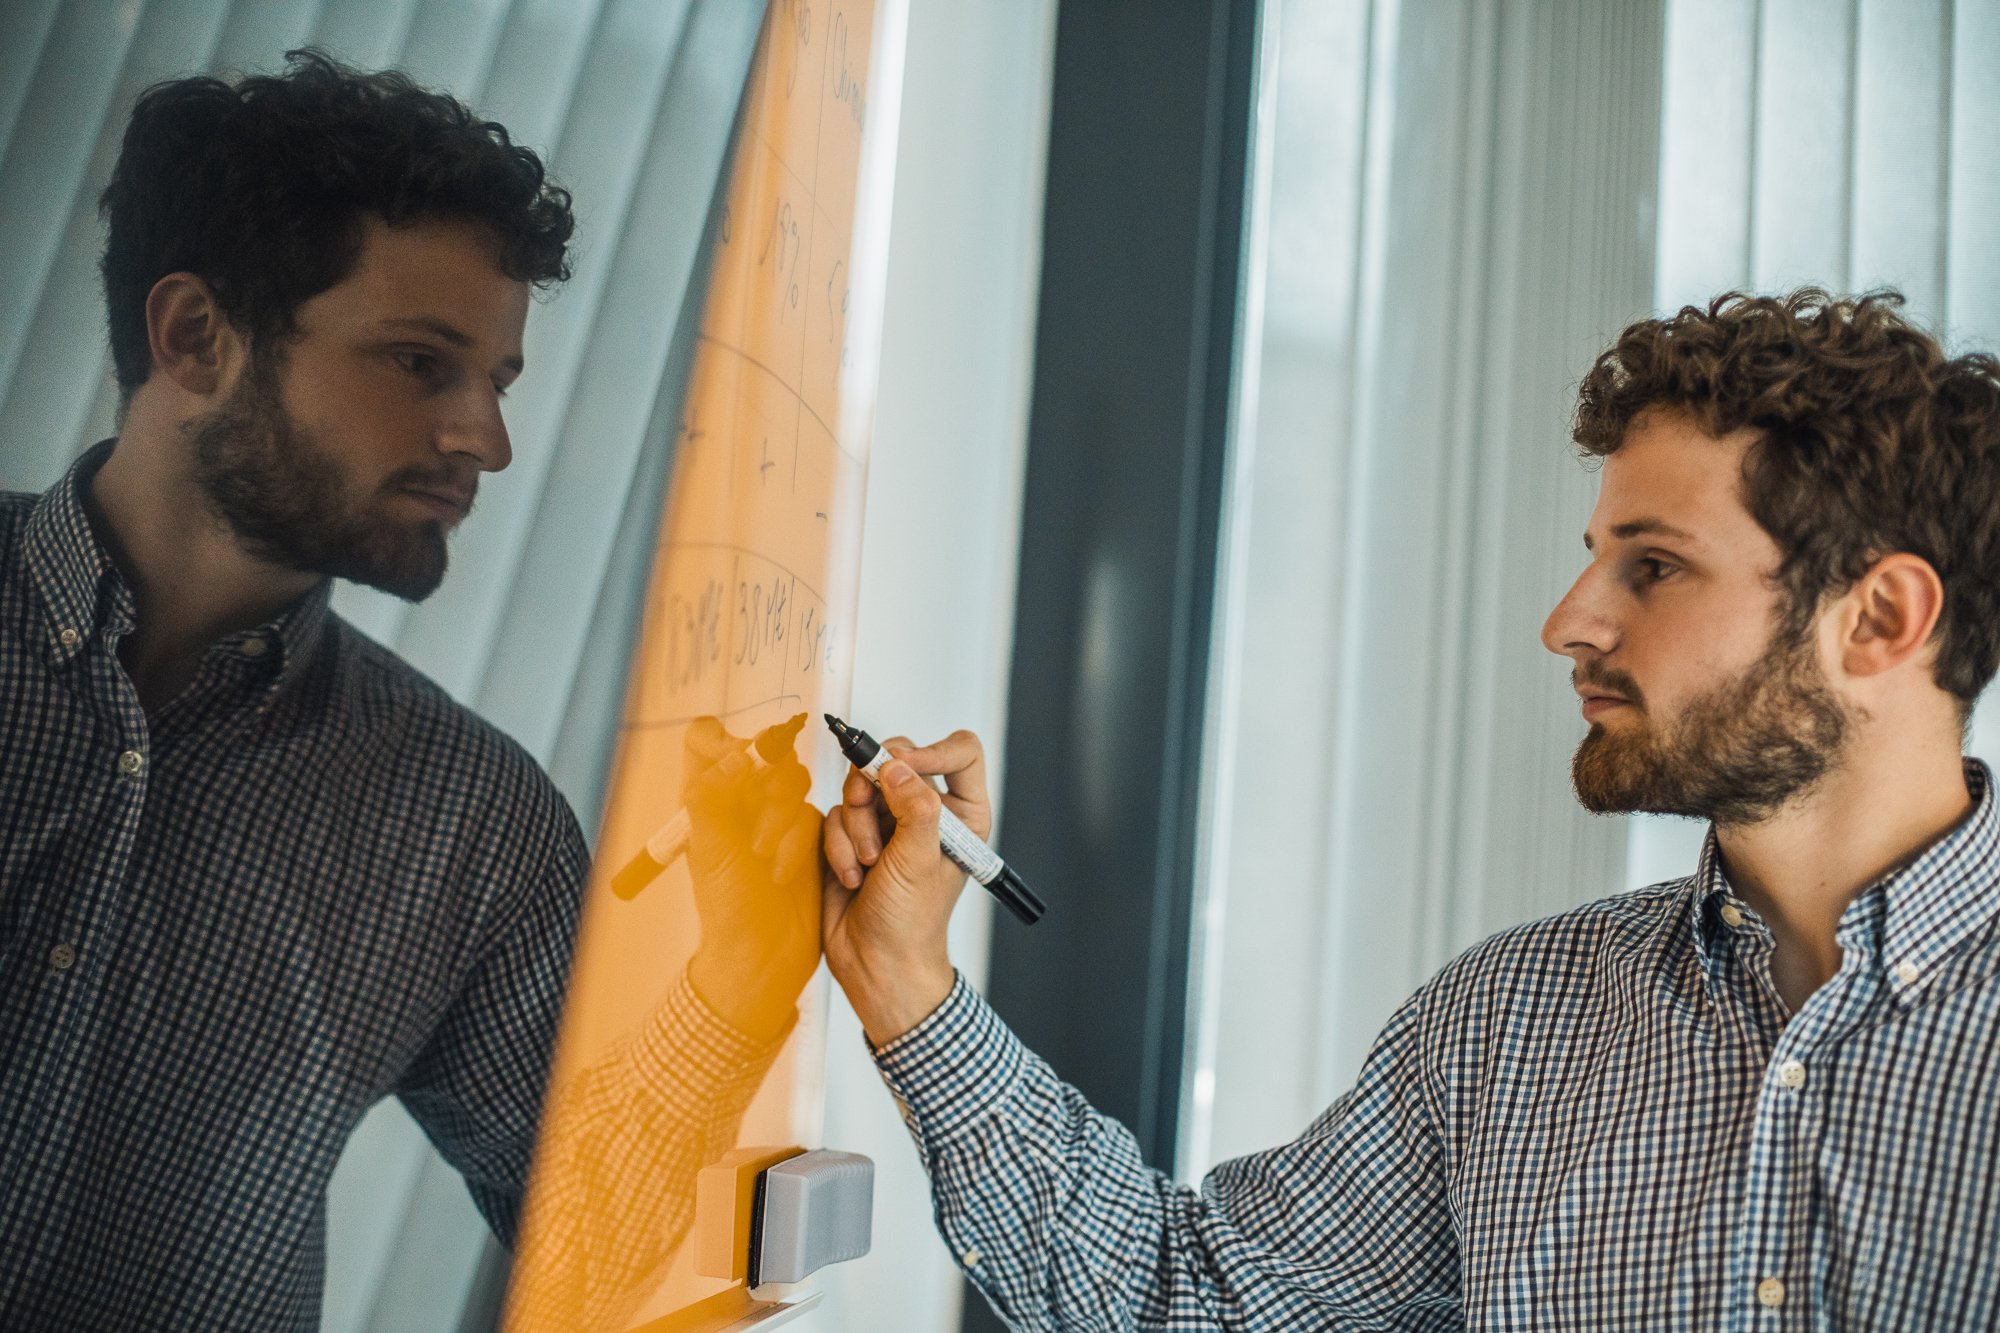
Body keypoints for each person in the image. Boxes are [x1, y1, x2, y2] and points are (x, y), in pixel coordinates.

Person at [821, 289, 2000, 1330]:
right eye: (1595, 555)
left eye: (1652, 565)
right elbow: (1179, 1298)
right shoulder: (1505, 1026)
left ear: (1879, 619)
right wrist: (906, 982)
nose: (1568, 621)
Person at [0, 52, 820, 1330]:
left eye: (495, 383)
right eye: (420, 362)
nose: (485, 440)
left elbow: (612, 1260)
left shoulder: (470, 826)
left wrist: (736, 977)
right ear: (195, 337)